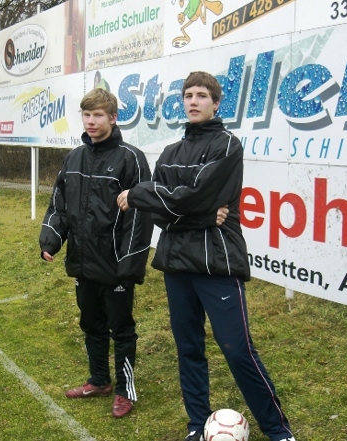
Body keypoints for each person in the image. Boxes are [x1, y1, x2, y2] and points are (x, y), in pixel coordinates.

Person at [117, 72, 295, 441]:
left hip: (217, 261)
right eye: (188, 95)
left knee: (237, 349)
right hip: (177, 262)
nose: (193, 101)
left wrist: (144, 193)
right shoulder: (169, 153)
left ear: (216, 103)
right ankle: (197, 426)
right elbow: (165, 213)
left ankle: (278, 431)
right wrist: (190, 210)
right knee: (189, 349)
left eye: (201, 95)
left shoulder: (228, 145)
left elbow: (189, 197)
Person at [39, 88, 153, 418]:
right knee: (91, 324)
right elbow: (59, 204)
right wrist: (51, 240)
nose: (91, 121)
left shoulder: (131, 158)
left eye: (98, 115)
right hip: (82, 262)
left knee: (122, 329)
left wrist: (129, 264)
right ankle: (99, 380)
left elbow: (140, 216)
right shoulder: (73, 158)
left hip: (116, 265)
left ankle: (124, 390)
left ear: (113, 118)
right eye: (87, 115)